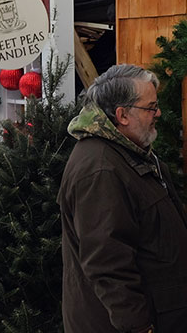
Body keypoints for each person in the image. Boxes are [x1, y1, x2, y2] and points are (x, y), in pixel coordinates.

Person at [58, 64, 187, 333]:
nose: (158, 113)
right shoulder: (100, 169)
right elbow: (107, 264)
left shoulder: (131, 152)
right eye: (150, 108)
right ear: (122, 115)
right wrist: (139, 327)